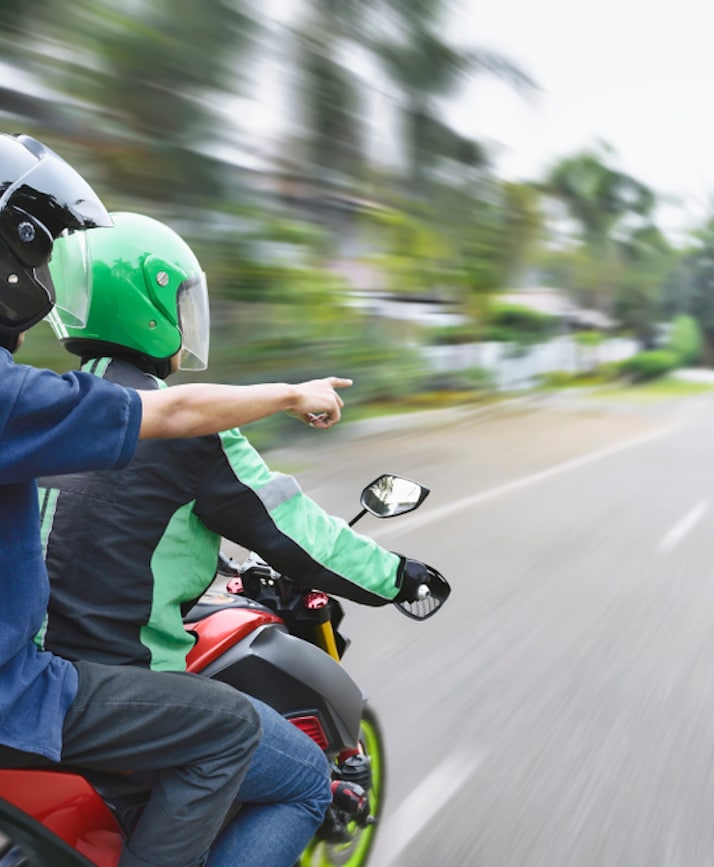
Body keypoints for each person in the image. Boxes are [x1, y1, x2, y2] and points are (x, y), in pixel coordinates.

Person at [0, 128, 354, 867]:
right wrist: (290, 393)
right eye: (33, 251)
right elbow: (173, 414)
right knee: (233, 733)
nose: (41, 271)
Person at [34, 212, 446, 863]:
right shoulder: (187, 428)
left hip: (21, 679)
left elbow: (97, 531)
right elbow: (294, 531)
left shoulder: (39, 406)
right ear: (150, 309)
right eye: (180, 301)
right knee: (306, 781)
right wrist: (400, 575)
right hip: (118, 689)